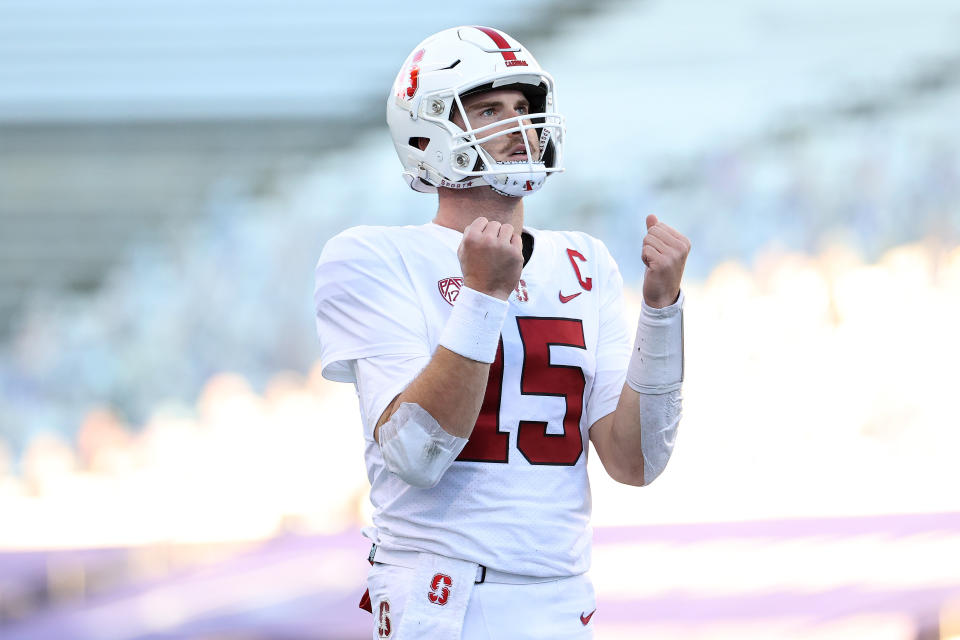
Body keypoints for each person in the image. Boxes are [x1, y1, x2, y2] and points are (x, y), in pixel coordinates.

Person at [314, 25, 690, 640]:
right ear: (427, 129)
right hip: (441, 600)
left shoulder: (584, 261)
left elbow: (635, 459)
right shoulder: (372, 257)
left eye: (524, 109)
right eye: (490, 109)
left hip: (562, 597)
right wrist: (484, 296)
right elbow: (415, 453)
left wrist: (662, 311)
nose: (518, 127)